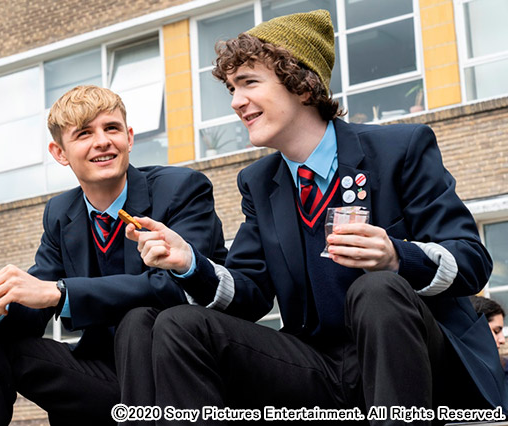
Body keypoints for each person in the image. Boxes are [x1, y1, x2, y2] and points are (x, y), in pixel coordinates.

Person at [121, 10, 507, 425]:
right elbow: (250, 294)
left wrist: (397, 256)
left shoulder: (401, 148)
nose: (235, 101)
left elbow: (471, 260)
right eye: (232, 88)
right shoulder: (259, 182)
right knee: (180, 324)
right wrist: (189, 263)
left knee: (377, 290)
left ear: (302, 85)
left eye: (249, 82)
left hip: (419, 364)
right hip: (321, 367)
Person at [0, 85, 227, 426]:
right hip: (107, 380)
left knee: (139, 317)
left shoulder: (181, 189)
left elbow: (178, 288)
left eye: (112, 129)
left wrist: (60, 292)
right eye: (84, 134)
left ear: (130, 138)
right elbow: (37, 294)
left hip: (179, 380)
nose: (102, 141)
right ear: (60, 153)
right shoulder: (61, 212)